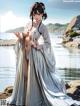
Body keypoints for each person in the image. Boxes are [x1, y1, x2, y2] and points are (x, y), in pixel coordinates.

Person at [8, 2, 80, 106]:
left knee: (31, 78)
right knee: (24, 76)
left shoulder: (43, 27)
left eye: (39, 14)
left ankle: (32, 98)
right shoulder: (28, 24)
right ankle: (23, 98)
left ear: (42, 14)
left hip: (35, 57)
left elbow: (48, 44)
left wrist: (38, 46)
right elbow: (25, 39)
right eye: (34, 14)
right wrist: (20, 37)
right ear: (32, 14)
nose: (36, 16)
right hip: (25, 54)